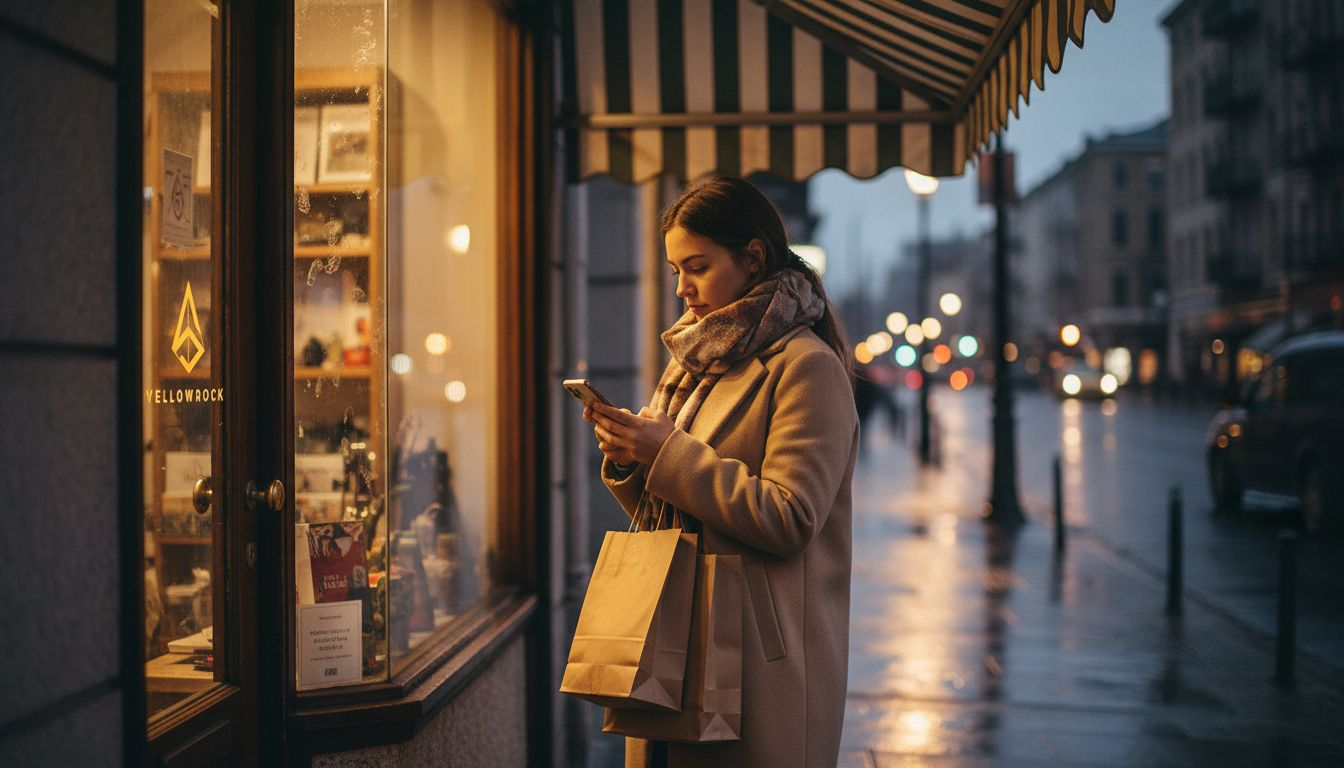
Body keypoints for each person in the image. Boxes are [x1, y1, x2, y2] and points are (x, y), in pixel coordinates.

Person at [584, 176, 859, 768]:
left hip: (757, 662)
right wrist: (634, 460)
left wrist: (668, 454)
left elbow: (791, 518)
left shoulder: (807, 367)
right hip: (677, 646)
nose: (682, 288)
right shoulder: (698, 363)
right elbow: (681, 512)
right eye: (675, 270)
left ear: (752, 257)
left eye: (698, 267)